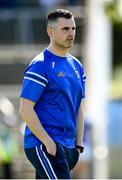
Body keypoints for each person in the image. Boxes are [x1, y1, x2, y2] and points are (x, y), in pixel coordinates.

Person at [19, 9, 86, 179]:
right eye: (65, 29)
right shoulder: (40, 65)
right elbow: (25, 109)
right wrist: (48, 142)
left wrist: (78, 145)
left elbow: (78, 107)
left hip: (69, 148)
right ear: (51, 31)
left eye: (73, 28)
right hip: (45, 145)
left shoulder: (77, 66)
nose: (71, 33)